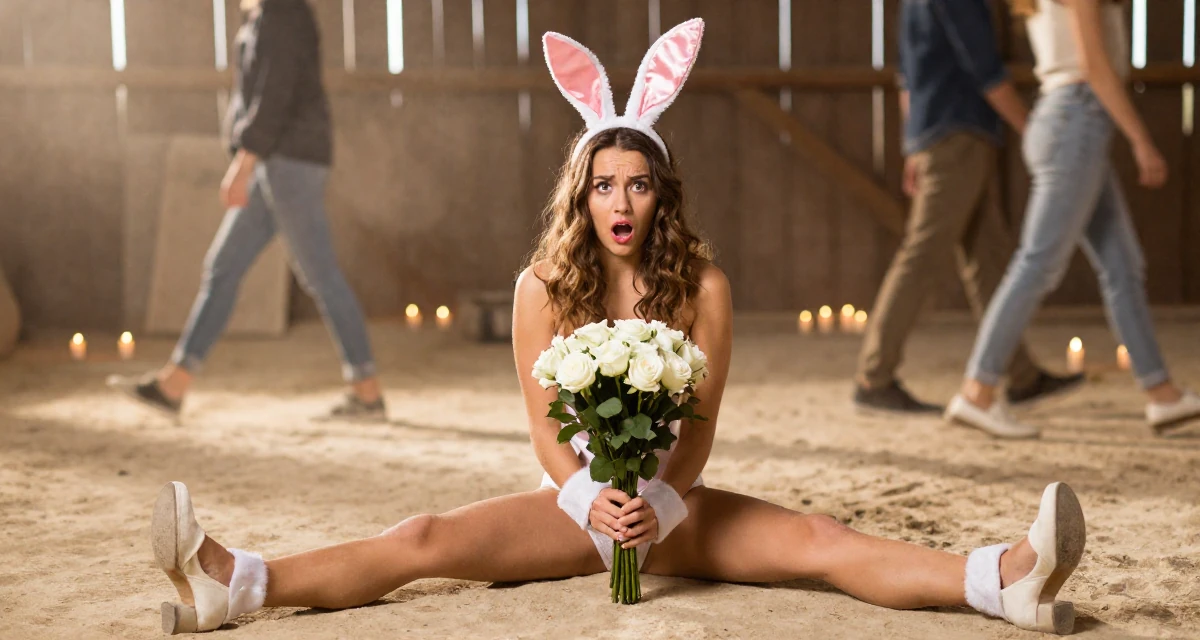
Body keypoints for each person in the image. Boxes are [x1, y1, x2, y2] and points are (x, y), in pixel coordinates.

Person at [145, 21, 1088, 636]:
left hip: (672, 509)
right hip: (580, 513)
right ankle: (240, 582)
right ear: (582, 196)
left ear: (660, 192)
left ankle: (1000, 578)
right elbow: (549, 436)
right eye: (603, 185)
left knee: (815, 539)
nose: (621, 201)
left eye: (638, 183)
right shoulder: (541, 290)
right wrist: (592, 502)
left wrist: (662, 502)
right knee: (425, 538)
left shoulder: (703, 287)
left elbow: (703, 423)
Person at [110, 0, 385, 421]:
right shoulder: (263, 17)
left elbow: (274, 95)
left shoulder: (283, 16)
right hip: (274, 162)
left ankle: (367, 393)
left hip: (287, 162)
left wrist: (242, 165)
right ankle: (174, 384)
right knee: (223, 267)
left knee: (321, 276)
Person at [945, 0, 1200, 438]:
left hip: (1069, 121)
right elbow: (1095, 67)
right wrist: (1141, 140)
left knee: (1122, 267)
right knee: (1037, 264)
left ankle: (1162, 395)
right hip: (1077, 119)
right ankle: (977, 392)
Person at [853, 0, 1082, 418]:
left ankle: (1021, 374)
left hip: (940, 135)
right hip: (960, 134)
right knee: (922, 255)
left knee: (987, 258)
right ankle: (875, 378)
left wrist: (914, 146)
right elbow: (986, 71)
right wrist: (1035, 131)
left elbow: (908, 76)